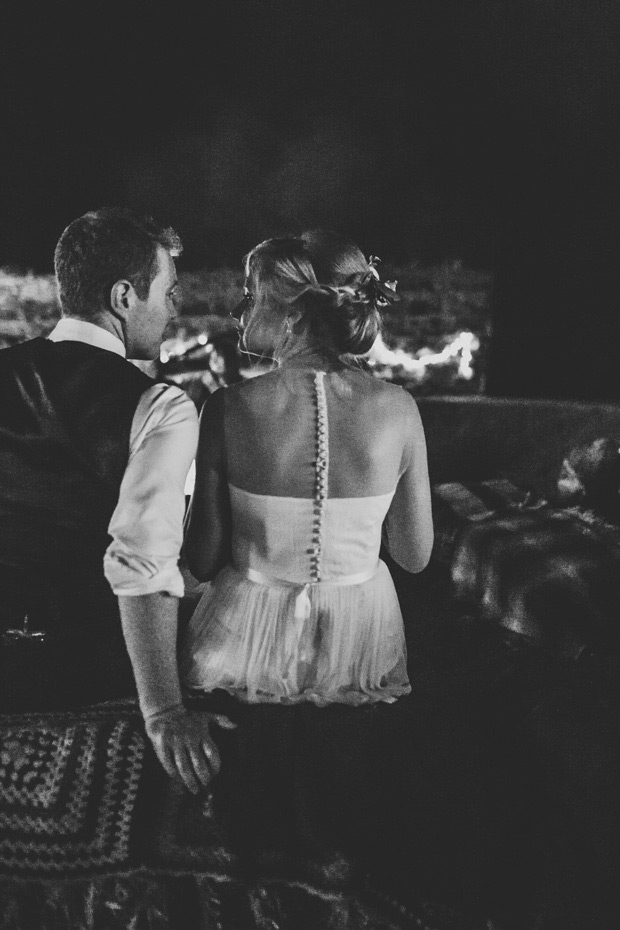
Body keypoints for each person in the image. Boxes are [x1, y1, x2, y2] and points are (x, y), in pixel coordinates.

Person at [176, 231, 434, 865]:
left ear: (290, 311)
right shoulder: (399, 409)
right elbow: (414, 553)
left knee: (250, 821)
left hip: (246, 636)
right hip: (358, 637)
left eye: (247, 295)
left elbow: (202, 558)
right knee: (344, 821)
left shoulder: (229, 407)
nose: (238, 311)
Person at [0, 207, 229, 790]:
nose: (176, 309)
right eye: (169, 292)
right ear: (125, 296)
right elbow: (140, 561)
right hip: (84, 664)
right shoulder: (162, 405)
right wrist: (164, 712)